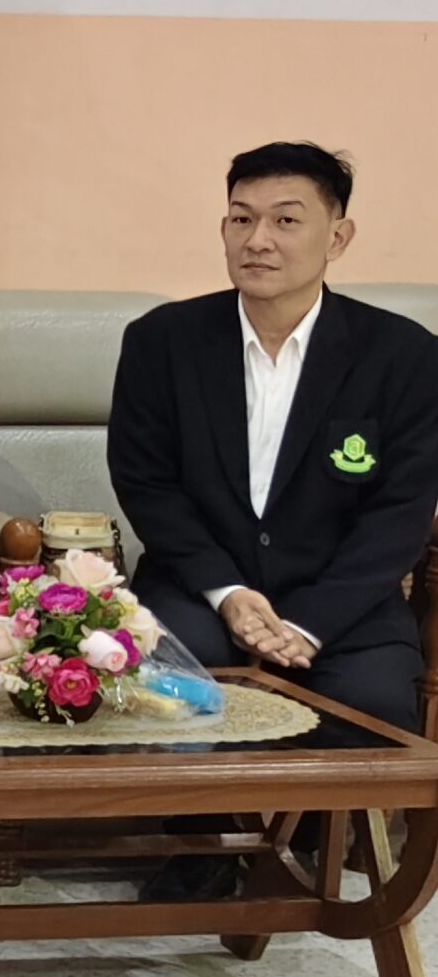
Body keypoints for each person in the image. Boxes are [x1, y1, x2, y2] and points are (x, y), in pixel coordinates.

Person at [109, 142, 438, 903]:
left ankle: (306, 837)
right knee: (176, 676)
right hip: (202, 583)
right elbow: (148, 484)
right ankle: (202, 843)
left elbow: (400, 513)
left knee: (375, 699)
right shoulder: (162, 341)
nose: (258, 240)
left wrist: (310, 624)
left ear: (338, 236)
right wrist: (227, 592)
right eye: (241, 219)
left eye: (286, 220)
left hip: (344, 599)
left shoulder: (404, 356)